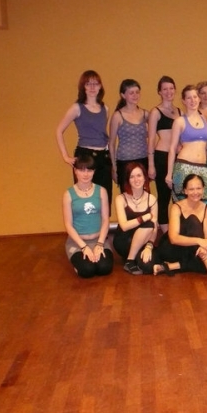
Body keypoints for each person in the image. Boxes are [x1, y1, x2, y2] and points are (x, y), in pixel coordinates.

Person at [152, 174, 207, 286]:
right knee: (193, 220)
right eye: (191, 189)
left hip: (192, 250)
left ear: (203, 189)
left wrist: (204, 246)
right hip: (173, 248)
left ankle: (174, 266)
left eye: (198, 188)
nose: (195, 192)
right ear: (185, 191)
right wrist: (199, 241)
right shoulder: (176, 207)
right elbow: (174, 238)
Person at [56, 70, 113, 209]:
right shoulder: (77, 108)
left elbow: (101, 132)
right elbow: (59, 131)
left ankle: (103, 224)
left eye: (95, 83)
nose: (92, 87)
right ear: (83, 87)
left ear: (100, 86)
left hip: (103, 157)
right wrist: (65, 156)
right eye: (88, 84)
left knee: (104, 199)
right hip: (85, 156)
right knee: (85, 198)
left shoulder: (105, 108)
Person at [62, 153, 114, 278]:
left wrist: (100, 244)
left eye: (89, 170)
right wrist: (84, 247)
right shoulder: (68, 194)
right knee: (87, 270)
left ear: (94, 171)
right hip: (77, 242)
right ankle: (78, 263)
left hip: (99, 240)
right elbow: (68, 225)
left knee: (104, 268)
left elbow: (105, 220)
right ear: (75, 171)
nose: (86, 174)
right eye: (81, 170)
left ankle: (97, 253)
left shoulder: (101, 191)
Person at [166, 85, 207, 202]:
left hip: (202, 167)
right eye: (189, 98)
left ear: (199, 98)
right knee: (182, 204)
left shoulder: (204, 119)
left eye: (195, 97)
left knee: (206, 202)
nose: (193, 100)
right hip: (184, 167)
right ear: (183, 101)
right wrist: (169, 173)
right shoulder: (180, 121)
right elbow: (172, 148)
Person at [147, 76, 181, 233]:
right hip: (162, 157)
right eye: (165, 89)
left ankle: (177, 231)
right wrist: (151, 164)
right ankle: (166, 234)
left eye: (171, 88)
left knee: (178, 196)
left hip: (178, 158)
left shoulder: (179, 111)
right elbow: (151, 139)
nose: (168, 92)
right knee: (164, 196)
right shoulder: (156, 112)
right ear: (159, 92)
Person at [113, 162, 158, 275]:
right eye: (132, 176)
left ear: (145, 177)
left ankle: (132, 258)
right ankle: (130, 261)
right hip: (124, 241)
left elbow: (154, 227)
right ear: (128, 180)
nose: (136, 179)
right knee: (148, 223)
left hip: (143, 241)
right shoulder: (121, 198)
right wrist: (144, 217)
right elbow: (124, 226)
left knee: (147, 266)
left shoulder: (152, 199)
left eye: (139, 175)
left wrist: (149, 246)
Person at [108, 79, 149, 193]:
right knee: (127, 196)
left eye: (137, 92)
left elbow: (155, 134)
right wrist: (114, 168)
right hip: (125, 162)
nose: (135, 95)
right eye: (131, 93)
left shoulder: (146, 114)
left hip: (143, 160)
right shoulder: (118, 116)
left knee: (144, 195)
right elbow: (111, 144)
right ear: (123, 95)